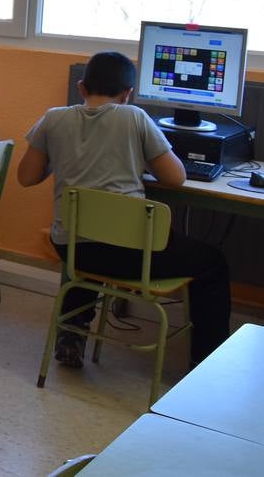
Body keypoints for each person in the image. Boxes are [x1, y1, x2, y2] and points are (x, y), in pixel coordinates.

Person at [17, 51, 231, 369]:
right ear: (128, 94)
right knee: (214, 262)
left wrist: (60, 156)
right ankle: (207, 363)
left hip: (73, 248)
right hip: (129, 254)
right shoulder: (134, 118)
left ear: (81, 87)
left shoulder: (53, 118)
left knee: (91, 238)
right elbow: (176, 177)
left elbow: (26, 177)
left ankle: (72, 333)